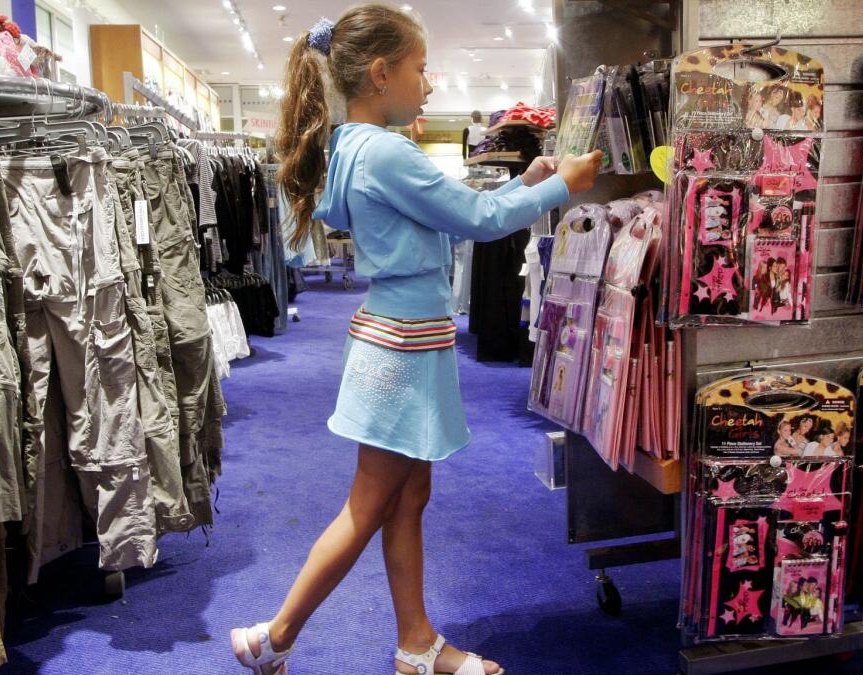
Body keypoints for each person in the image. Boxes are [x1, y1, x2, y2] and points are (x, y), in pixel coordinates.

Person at [230, 6, 602, 674]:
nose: (428, 84)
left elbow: (454, 215)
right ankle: (273, 636)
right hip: (400, 346)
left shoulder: (354, 147)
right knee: (371, 502)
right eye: (420, 69)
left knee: (407, 496)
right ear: (380, 74)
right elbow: (479, 218)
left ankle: (416, 643)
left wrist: (527, 183)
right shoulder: (383, 152)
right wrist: (557, 190)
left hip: (403, 337)